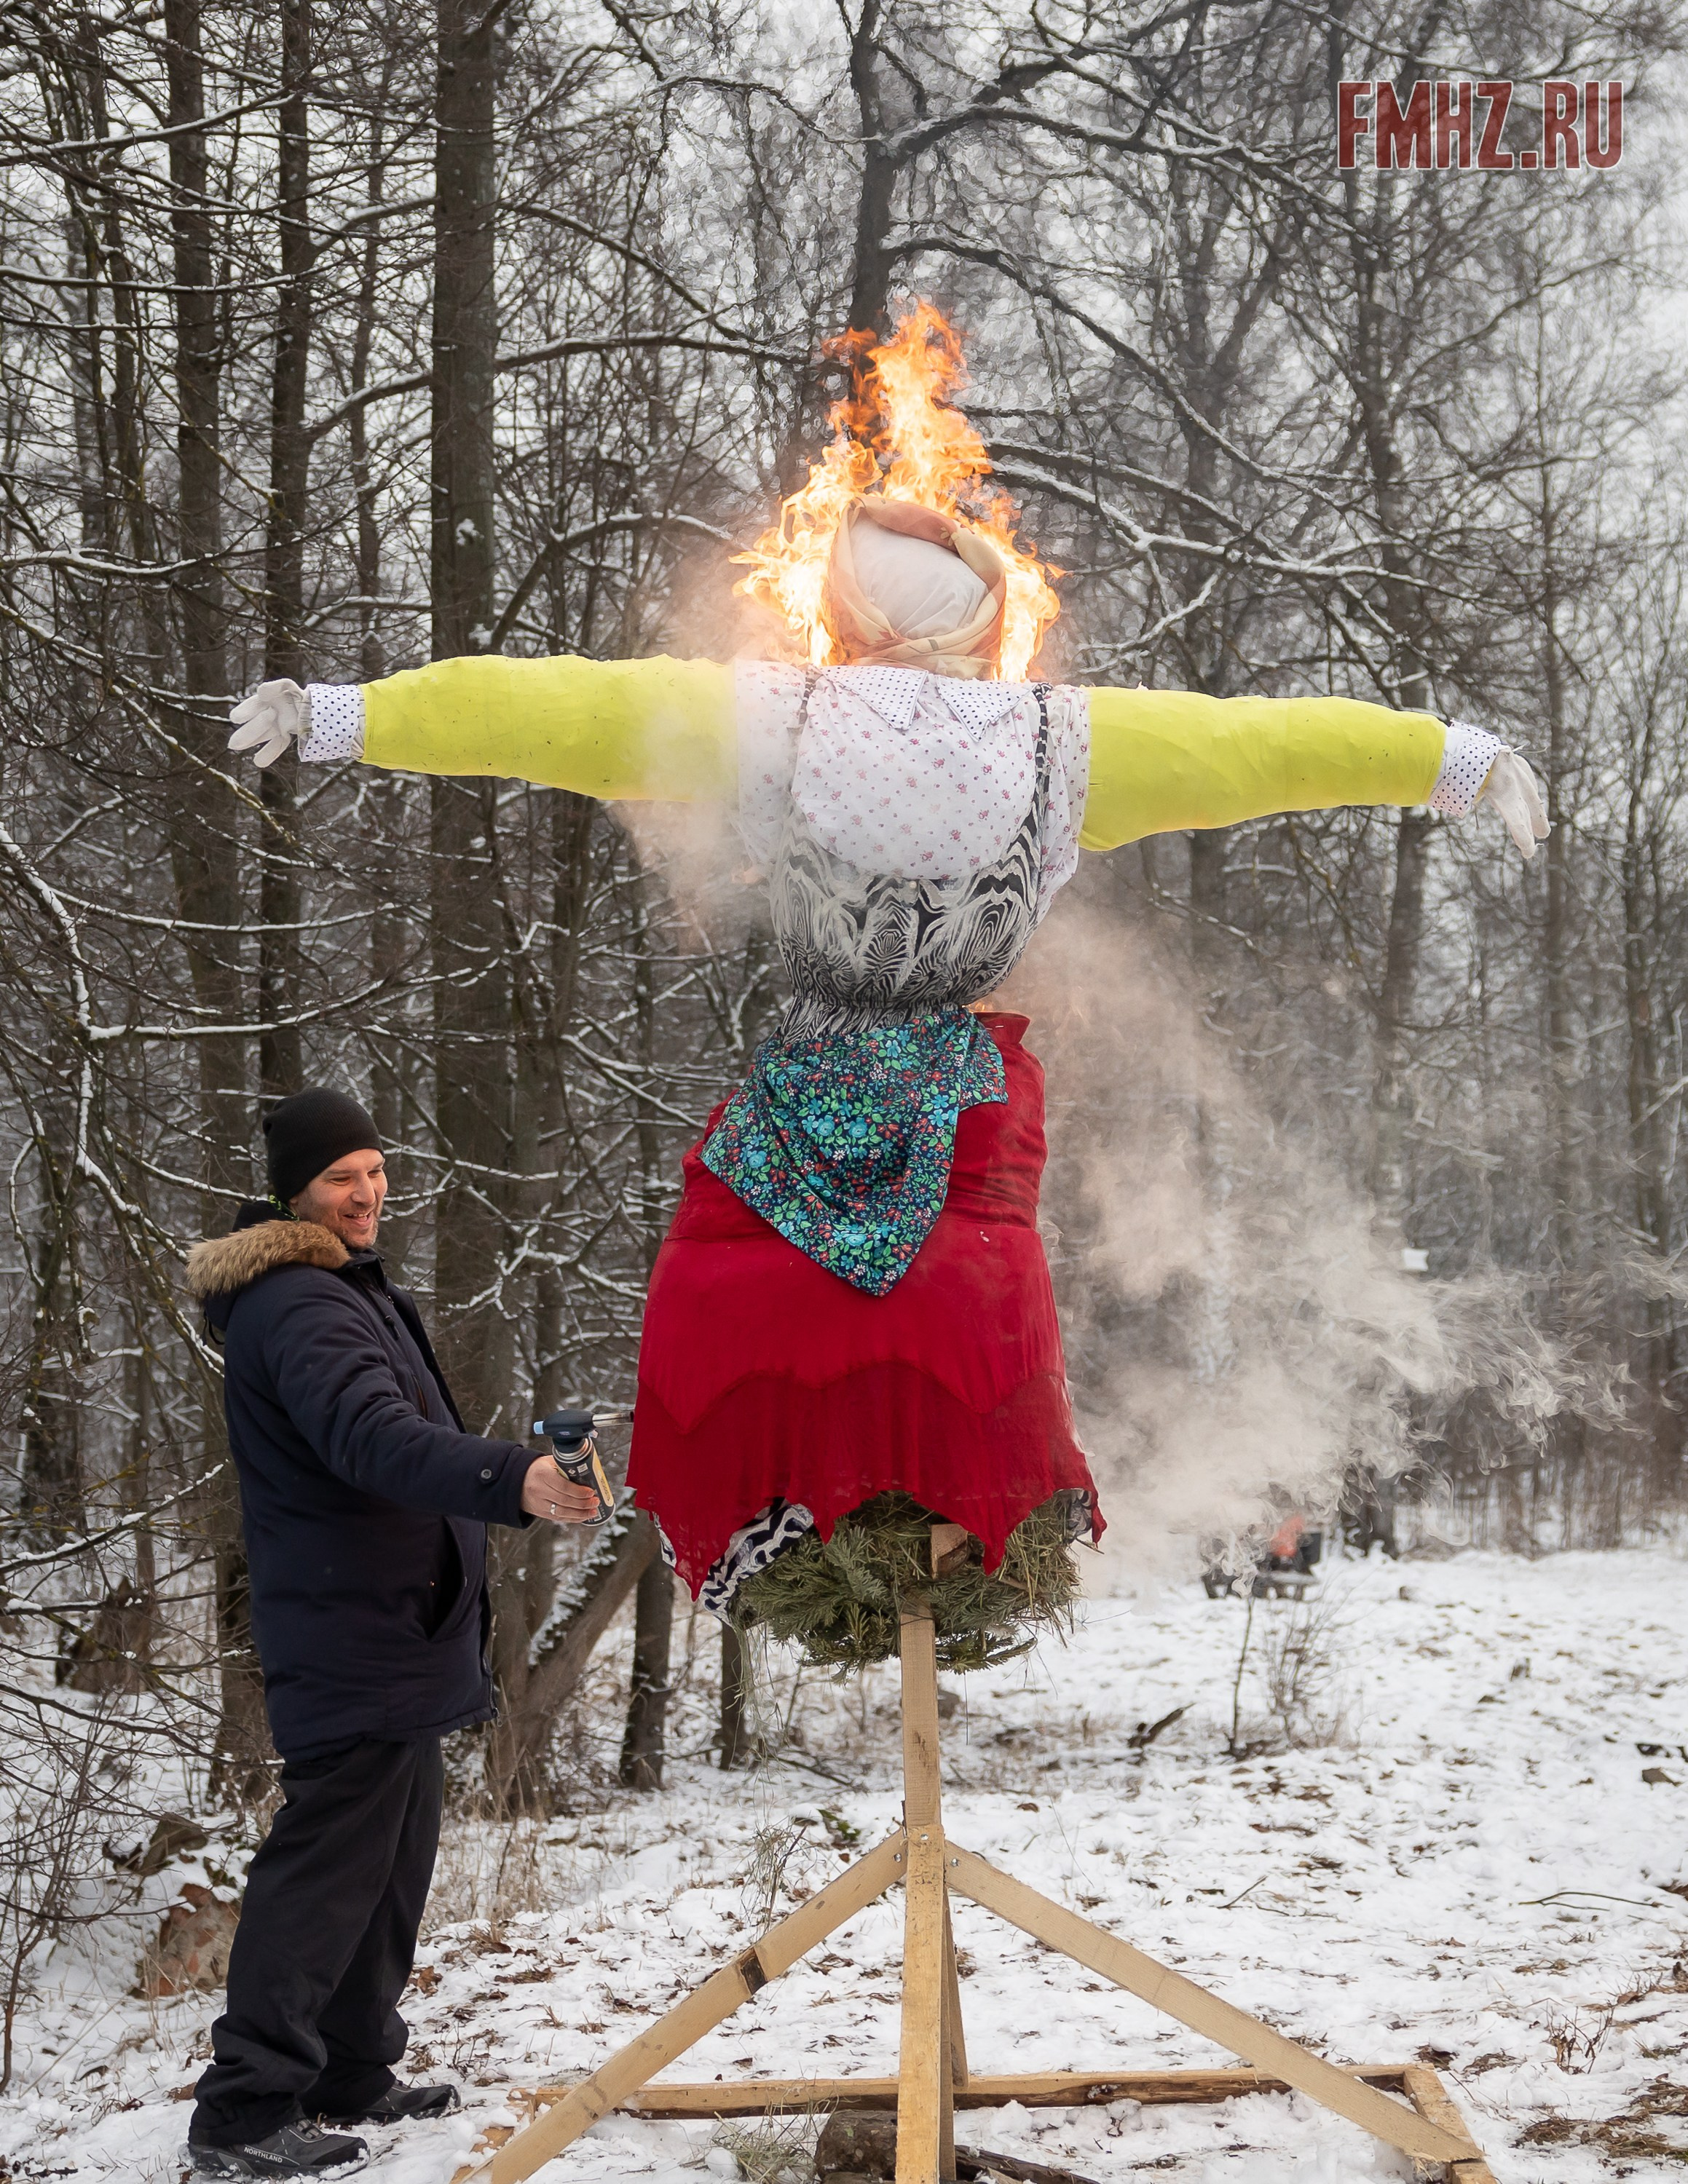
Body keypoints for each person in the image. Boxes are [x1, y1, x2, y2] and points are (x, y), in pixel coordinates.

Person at [225, 494, 1547, 1621]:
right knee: (982, 1304)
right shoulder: (1062, 744)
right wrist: (1449, 756)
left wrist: (351, 714)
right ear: (987, 629)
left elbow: (549, 715)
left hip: (805, 1078)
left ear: (839, 618)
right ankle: (987, 1528)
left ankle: (771, 1517)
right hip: (960, 1107)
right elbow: (1264, 745)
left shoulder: (761, 719)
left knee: (719, 1294)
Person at [182, 1088, 599, 2179]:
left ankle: (350, 2068)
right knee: (325, 1876)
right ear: (296, 1195)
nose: (365, 1193)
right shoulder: (301, 1305)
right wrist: (515, 1476)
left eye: (373, 1169)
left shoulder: (340, 1290)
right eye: (340, 1178)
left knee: (389, 1866)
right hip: (351, 1630)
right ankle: (240, 2114)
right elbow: (374, 1442)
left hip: (395, 1630)